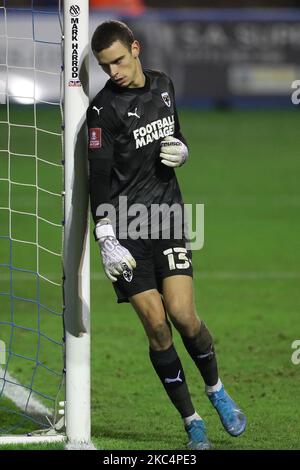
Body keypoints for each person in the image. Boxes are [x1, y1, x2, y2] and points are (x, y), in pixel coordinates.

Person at [87, 20, 246, 450]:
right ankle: (192, 420)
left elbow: (173, 136)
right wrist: (104, 234)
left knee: (183, 315)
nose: (114, 71)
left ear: (135, 49)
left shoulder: (163, 85)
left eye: (118, 60)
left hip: (169, 219)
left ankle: (217, 392)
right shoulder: (103, 111)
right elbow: (98, 177)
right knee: (157, 327)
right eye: (105, 66)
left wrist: (184, 149)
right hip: (124, 230)